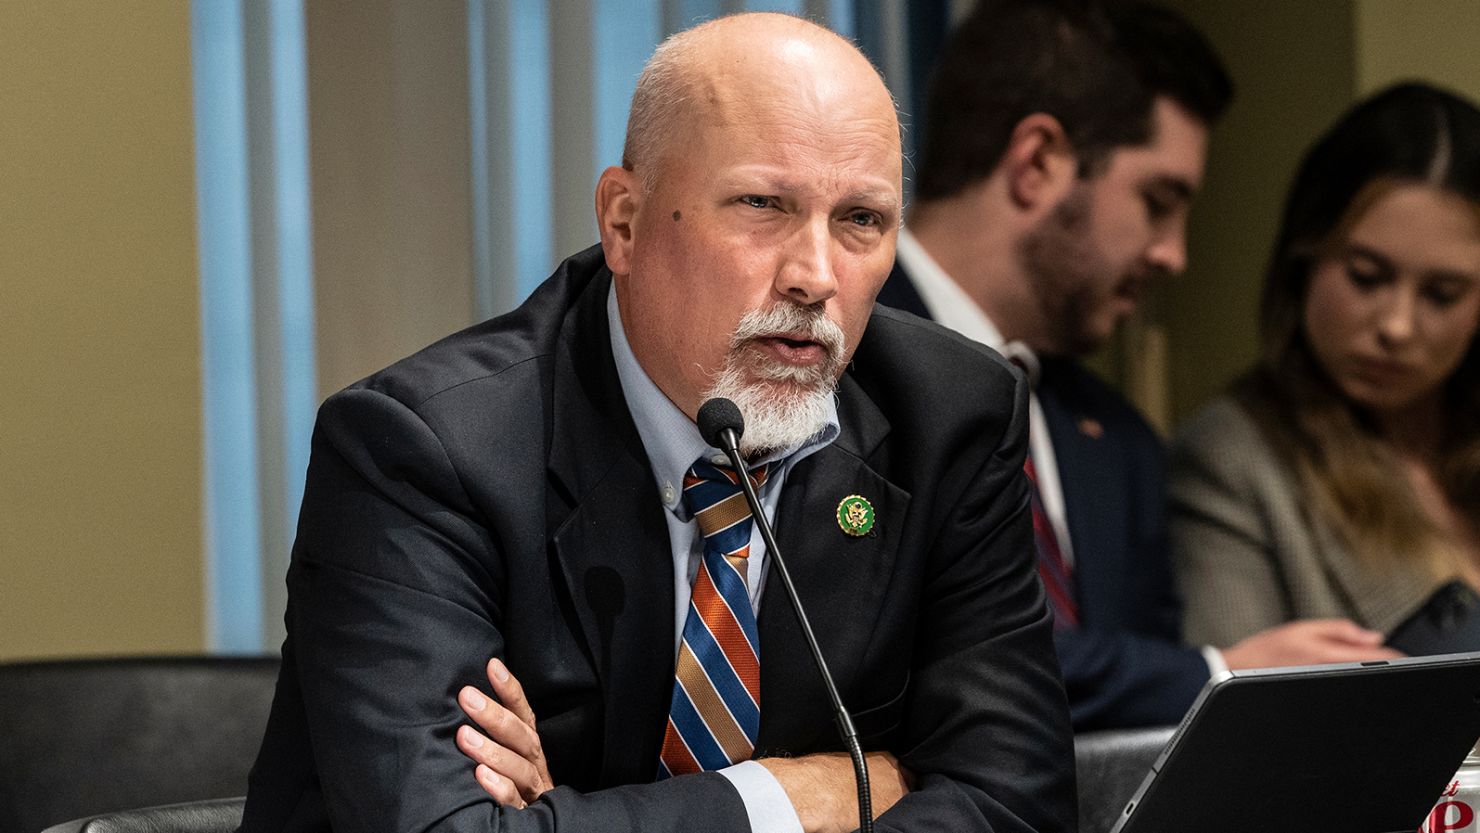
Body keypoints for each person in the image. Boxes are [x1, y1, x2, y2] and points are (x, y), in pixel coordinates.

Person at [239, 12, 1075, 833]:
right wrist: (789, 801)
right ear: (624, 222)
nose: (817, 275)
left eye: (861, 219)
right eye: (762, 203)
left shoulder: (952, 415)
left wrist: (571, 815)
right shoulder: (422, 450)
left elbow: (1017, 802)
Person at [876, 0, 1396, 732]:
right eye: (1159, 202)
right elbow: (933, 658)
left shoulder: (1118, 442)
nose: (1173, 254)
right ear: (1039, 163)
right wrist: (1221, 673)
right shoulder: (834, 371)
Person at [1171, 82, 1480, 650]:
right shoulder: (1232, 462)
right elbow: (1242, 722)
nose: (1397, 326)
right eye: (1366, 276)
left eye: (1442, 293)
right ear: (1305, 258)